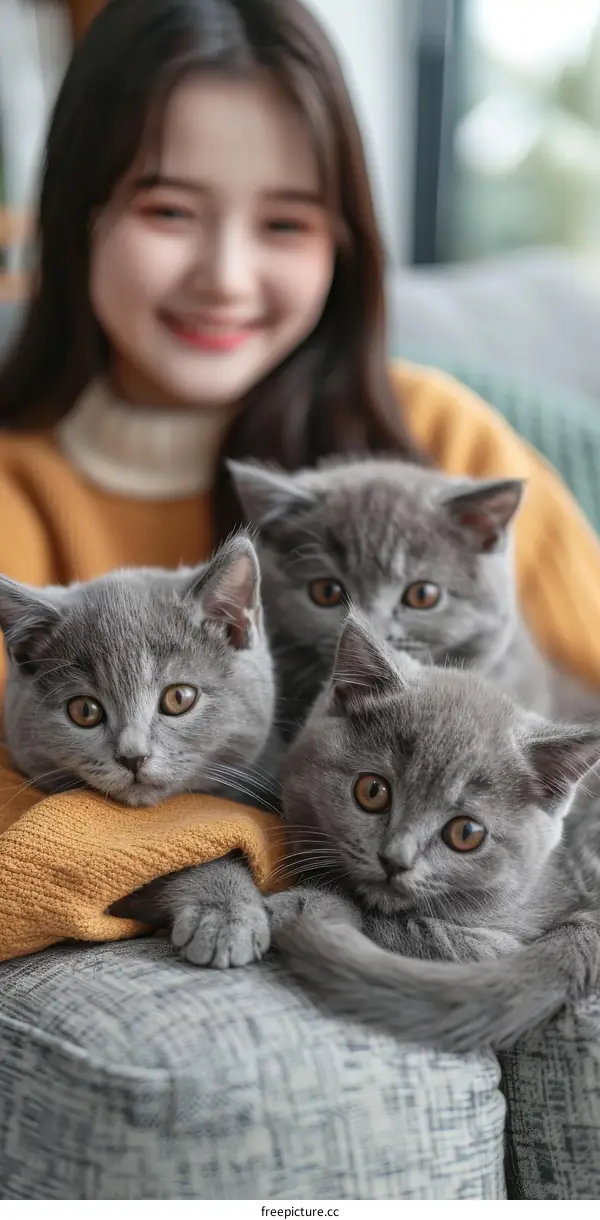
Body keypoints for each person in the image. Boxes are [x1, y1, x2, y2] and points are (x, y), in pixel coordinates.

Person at [1, 0, 600, 852]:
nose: (226, 276)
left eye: (284, 222)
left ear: (344, 244)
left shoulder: (439, 442)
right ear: (74, 216)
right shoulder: (17, 487)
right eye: (170, 211)